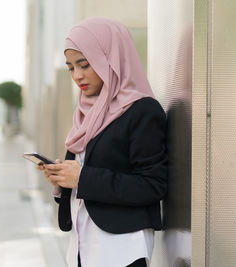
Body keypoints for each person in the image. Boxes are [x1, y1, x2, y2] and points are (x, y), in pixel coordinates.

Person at [37, 17, 167, 267]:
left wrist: (82, 178)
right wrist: (63, 178)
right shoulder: (87, 111)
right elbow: (87, 172)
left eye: (84, 64)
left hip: (122, 249)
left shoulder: (141, 110)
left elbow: (153, 185)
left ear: (110, 58)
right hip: (81, 246)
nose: (77, 75)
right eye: (71, 67)